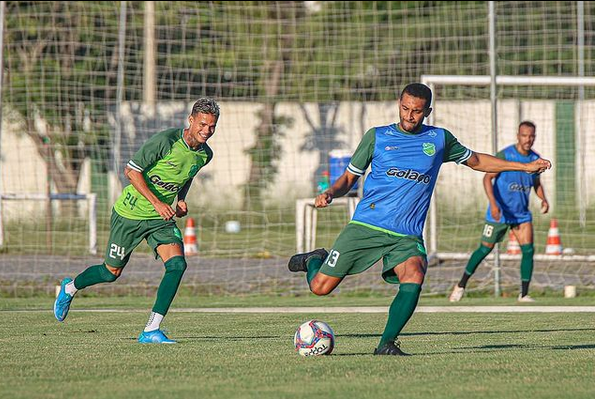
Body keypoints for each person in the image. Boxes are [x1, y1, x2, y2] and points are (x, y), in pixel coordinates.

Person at [287, 83, 551, 356]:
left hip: (407, 234)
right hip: (366, 226)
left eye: (416, 111)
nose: (409, 116)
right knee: (320, 288)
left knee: (414, 274)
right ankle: (313, 259)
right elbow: (349, 178)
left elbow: (476, 161)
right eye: (405, 108)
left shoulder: (439, 140)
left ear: (428, 111)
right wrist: (331, 192)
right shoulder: (377, 137)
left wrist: (525, 166)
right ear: (399, 104)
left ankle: (386, 344)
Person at [54, 98, 220, 344]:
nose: (207, 130)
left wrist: (180, 200)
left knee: (177, 266)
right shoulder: (166, 141)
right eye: (203, 124)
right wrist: (157, 203)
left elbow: (186, 176)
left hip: (161, 219)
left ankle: (151, 330)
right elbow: (131, 171)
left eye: (212, 126)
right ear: (191, 120)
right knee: (111, 273)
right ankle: (70, 288)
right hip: (130, 214)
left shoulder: (204, 155)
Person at [449, 121, 549, 303]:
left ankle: (524, 294)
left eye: (532, 136)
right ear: (518, 136)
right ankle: (461, 285)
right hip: (500, 213)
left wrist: (543, 198)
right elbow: (487, 179)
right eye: (525, 135)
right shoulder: (505, 155)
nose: (528, 139)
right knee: (484, 249)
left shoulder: (535, 158)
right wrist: (494, 204)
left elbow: (536, 184)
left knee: (528, 250)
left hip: (521, 215)